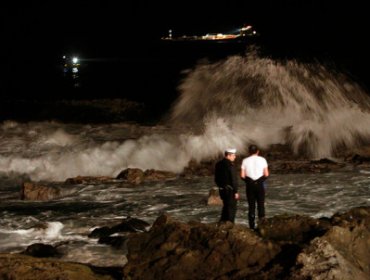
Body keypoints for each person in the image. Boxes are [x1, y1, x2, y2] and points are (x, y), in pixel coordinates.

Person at [240, 144, 269, 229]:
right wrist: (259, 181)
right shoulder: (263, 159)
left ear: (249, 152)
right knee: (261, 205)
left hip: (250, 184)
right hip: (260, 184)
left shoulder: (245, 161)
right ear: (258, 151)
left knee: (251, 206)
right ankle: (262, 226)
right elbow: (266, 174)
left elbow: (242, 176)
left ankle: (251, 227)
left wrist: (249, 181)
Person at [214, 148, 240, 223]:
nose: (235, 157)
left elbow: (216, 178)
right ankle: (230, 225)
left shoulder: (218, 164)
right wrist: (236, 191)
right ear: (228, 155)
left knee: (225, 207)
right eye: (233, 155)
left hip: (222, 189)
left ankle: (222, 224)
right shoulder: (230, 165)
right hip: (230, 190)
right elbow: (233, 179)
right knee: (231, 209)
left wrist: (220, 186)